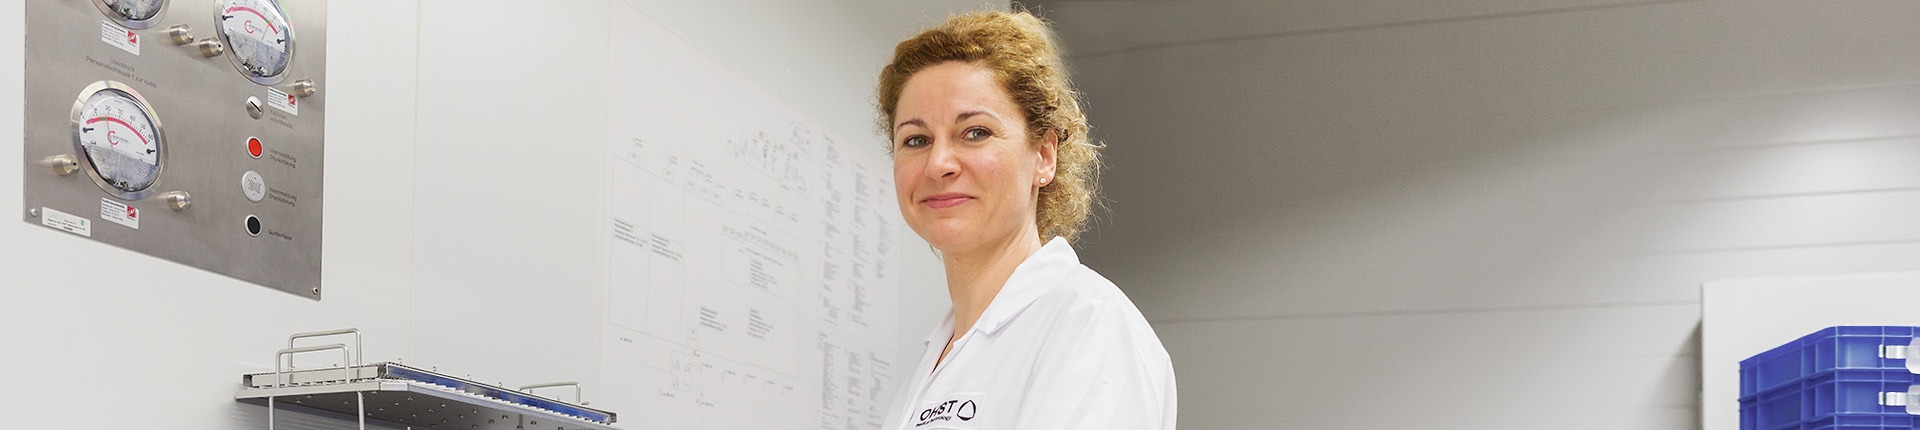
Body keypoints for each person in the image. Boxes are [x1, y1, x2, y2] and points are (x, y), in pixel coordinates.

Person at [875, 9, 1177, 430]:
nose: (938, 163)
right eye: (916, 139)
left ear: (1044, 157)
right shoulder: (933, 361)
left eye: (976, 132)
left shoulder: (1089, 325)